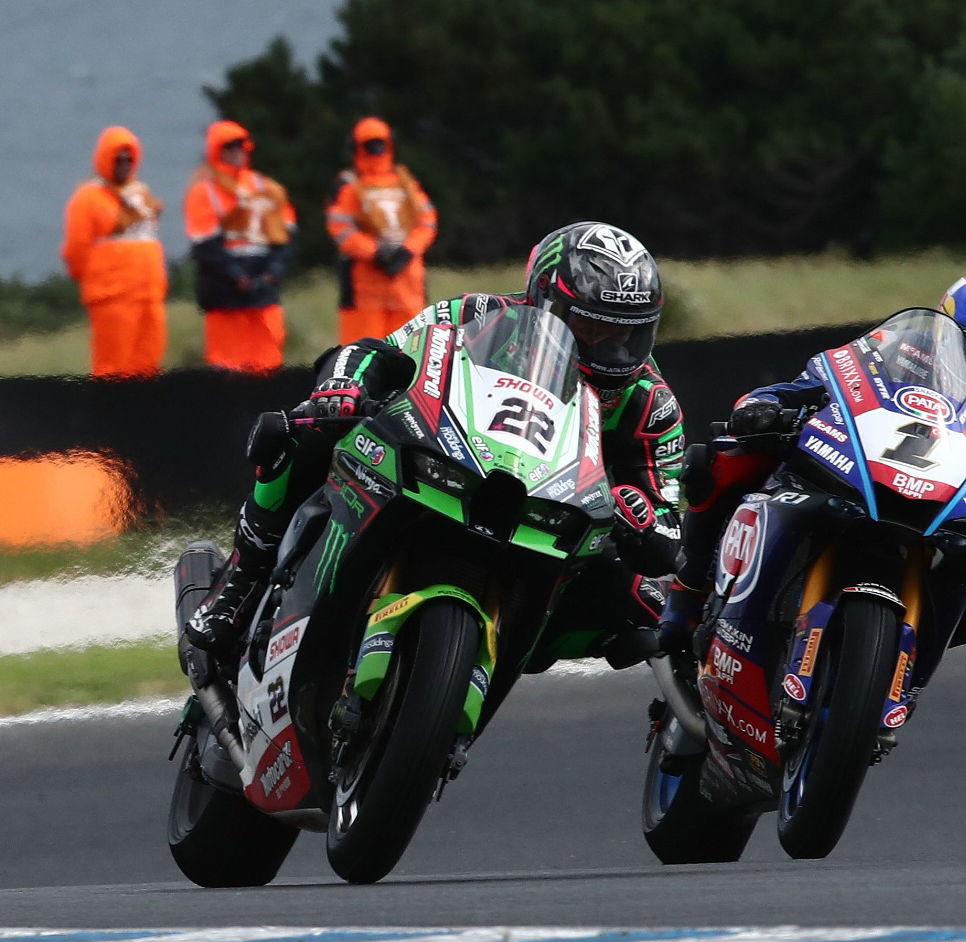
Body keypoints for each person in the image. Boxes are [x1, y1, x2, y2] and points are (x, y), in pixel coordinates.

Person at [185, 220, 684, 661]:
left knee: (649, 603)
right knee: (301, 430)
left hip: (550, 516)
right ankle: (242, 579)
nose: (609, 350)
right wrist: (346, 387)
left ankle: (496, 656)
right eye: (589, 329)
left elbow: (668, 521)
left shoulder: (650, 402)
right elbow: (382, 353)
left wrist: (641, 513)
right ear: (545, 301)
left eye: (628, 336)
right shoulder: (475, 312)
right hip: (452, 458)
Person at [656, 281, 966, 655]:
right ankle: (684, 597)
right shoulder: (901, 347)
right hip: (855, 466)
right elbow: (826, 379)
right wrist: (763, 405)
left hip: (945, 501)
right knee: (725, 456)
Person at [184, 120, 297, 374]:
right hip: (225, 294)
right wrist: (239, 278)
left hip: (263, 292)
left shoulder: (267, 188)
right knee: (227, 369)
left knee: (268, 363)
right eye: (228, 146)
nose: (236, 151)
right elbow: (205, 246)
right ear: (216, 151)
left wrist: (271, 274)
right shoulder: (204, 191)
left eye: (240, 145)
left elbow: (286, 237)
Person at [61, 126, 169, 378]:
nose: (124, 164)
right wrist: (101, 279)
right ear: (104, 159)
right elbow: (76, 253)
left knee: (149, 367)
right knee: (113, 370)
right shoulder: (87, 198)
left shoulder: (141, 194)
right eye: (118, 159)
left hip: (149, 296)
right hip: (113, 298)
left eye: (129, 159)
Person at [326, 117, 438, 345]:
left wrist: (408, 249)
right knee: (361, 356)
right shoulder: (348, 184)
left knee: (410, 353)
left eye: (380, 143)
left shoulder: (405, 181)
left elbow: (427, 220)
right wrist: (376, 252)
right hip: (364, 292)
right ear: (356, 147)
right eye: (369, 144)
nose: (376, 149)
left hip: (408, 286)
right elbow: (340, 228)